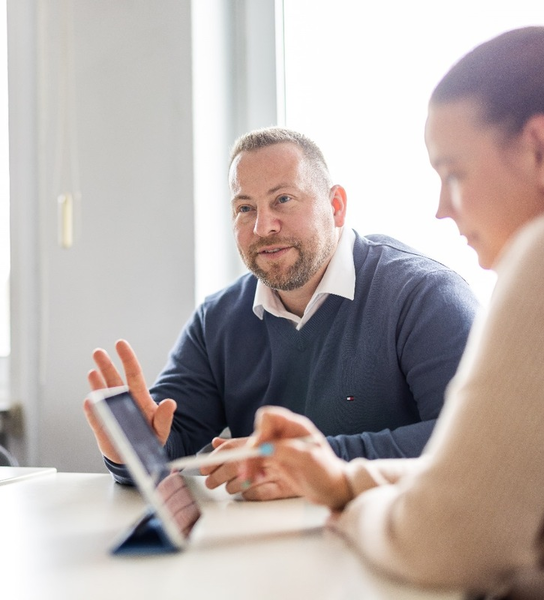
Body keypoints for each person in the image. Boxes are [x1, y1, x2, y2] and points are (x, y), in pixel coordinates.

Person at [239, 26, 544, 598]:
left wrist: (350, 513)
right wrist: (345, 479)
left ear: (537, 148)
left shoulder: (536, 260)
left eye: (454, 173)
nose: (441, 209)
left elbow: (449, 540)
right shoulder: (224, 311)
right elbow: (483, 483)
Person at [84, 127, 480, 501]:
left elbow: (474, 441)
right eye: (244, 207)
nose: (263, 226)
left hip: (390, 546)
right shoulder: (217, 319)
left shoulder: (426, 295)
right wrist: (132, 450)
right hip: (263, 548)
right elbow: (170, 444)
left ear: (336, 206)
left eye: (283, 200)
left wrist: (309, 464)